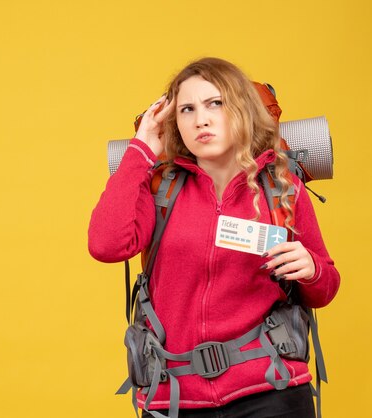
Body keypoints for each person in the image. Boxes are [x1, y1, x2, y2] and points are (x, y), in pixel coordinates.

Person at [88, 57, 340, 418]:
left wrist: (312, 268)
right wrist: (142, 147)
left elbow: (326, 288)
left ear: (242, 110)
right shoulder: (161, 191)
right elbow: (106, 246)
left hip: (271, 388)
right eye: (186, 109)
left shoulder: (282, 188)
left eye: (215, 103)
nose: (200, 119)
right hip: (175, 397)